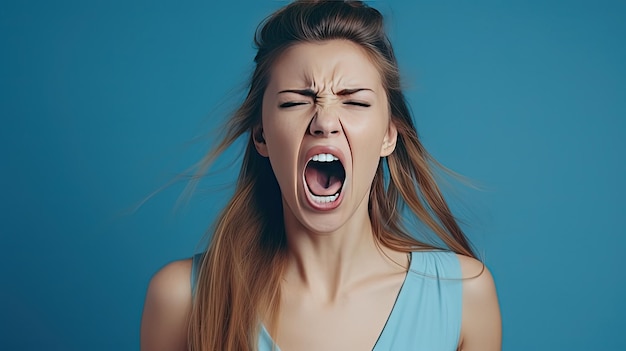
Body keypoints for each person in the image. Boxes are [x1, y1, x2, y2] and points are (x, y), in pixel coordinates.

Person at [140, 1, 501, 350]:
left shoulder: (465, 295)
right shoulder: (182, 300)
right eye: (295, 102)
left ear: (389, 135)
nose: (325, 121)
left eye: (355, 101)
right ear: (261, 135)